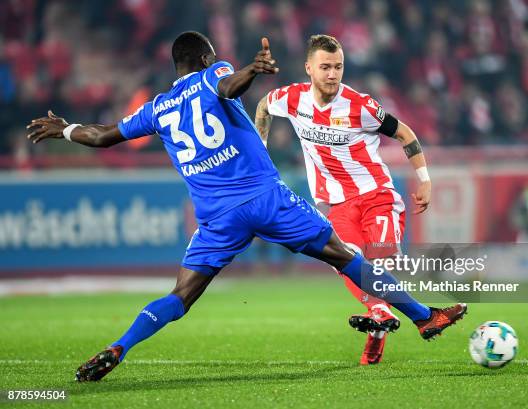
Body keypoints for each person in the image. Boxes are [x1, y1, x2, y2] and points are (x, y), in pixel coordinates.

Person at [26, 31, 466, 382]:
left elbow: (102, 136)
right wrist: (251, 71)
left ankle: (121, 345)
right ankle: (424, 316)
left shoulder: (156, 108)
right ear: (204, 59)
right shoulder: (212, 73)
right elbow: (227, 84)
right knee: (345, 256)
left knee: (180, 296)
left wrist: (66, 129)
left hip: (217, 218)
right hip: (265, 197)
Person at [255, 34, 436, 365]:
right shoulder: (292, 99)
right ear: (309, 68)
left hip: (376, 195)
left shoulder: (361, 106)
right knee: (349, 264)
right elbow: (264, 105)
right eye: (325, 67)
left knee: (380, 266)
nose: (332, 74)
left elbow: (405, 134)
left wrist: (424, 180)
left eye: (338, 67)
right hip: (336, 204)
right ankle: (382, 316)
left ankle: (383, 323)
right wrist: (260, 151)